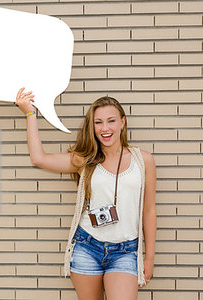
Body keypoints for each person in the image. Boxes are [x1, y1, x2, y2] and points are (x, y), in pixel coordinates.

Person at [15, 87, 157, 300]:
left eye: (111, 121)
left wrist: (149, 258)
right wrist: (29, 113)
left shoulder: (143, 160)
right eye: (98, 122)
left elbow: (149, 210)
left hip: (126, 251)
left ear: (123, 122)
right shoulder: (85, 160)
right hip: (87, 246)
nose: (105, 128)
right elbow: (38, 158)